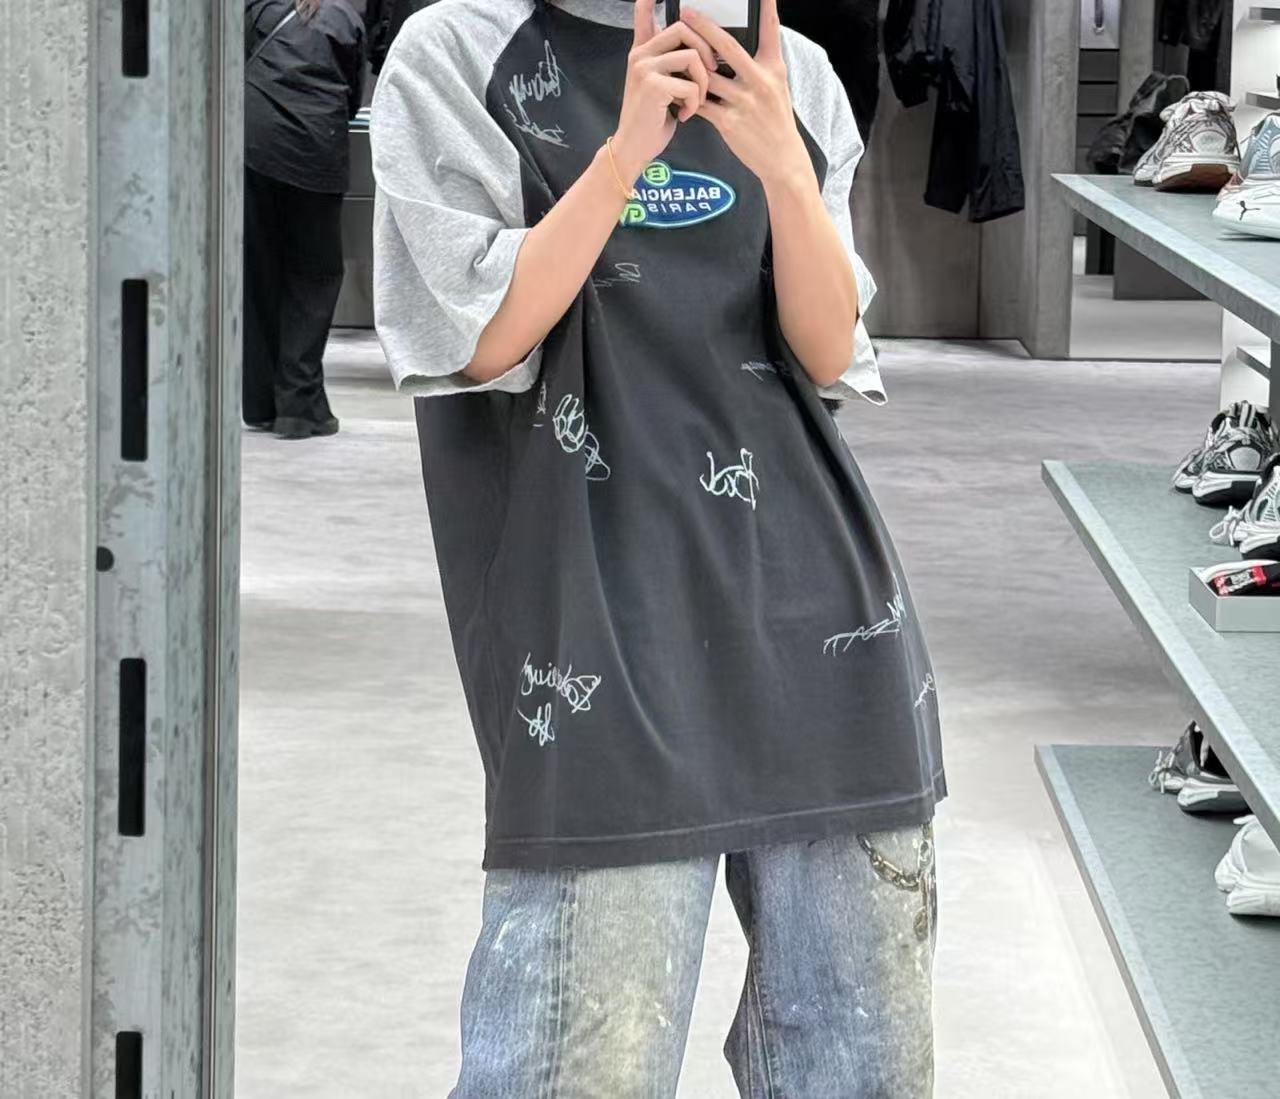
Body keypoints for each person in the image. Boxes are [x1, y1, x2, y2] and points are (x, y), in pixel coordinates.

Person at [371, 0, 946, 1093]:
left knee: (859, 1061)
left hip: (826, 614)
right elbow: (480, 338)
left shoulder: (790, 68)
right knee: (578, 1065)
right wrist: (622, 155)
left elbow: (827, 351)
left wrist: (785, 171)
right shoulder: (459, 51)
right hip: (594, 624)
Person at [243, 0, 365, 439]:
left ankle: (259, 402)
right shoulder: (344, 19)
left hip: (255, 148)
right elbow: (352, 97)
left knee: (259, 275)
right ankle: (300, 404)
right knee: (313, 278)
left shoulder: (257, 9)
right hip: (317, 151)